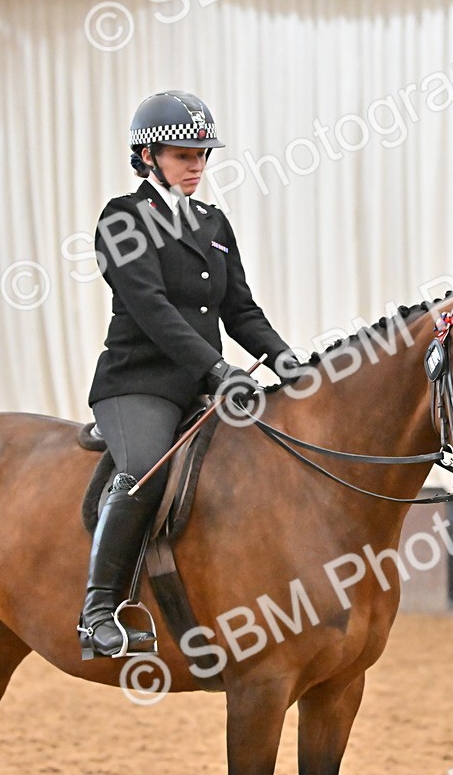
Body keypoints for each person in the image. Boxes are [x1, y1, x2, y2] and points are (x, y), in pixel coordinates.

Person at [79, 90, 300, 658]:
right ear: (149, 158)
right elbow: (152, 310)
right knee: (144, 471)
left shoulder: (213, 222)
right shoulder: (123, 219)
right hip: (139, 383)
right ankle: (98, 609)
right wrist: (218, 366)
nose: (196, 164)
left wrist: (283, 358)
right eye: (182, 154)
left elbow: (240, 309)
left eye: (202, 153)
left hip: (204, 385)